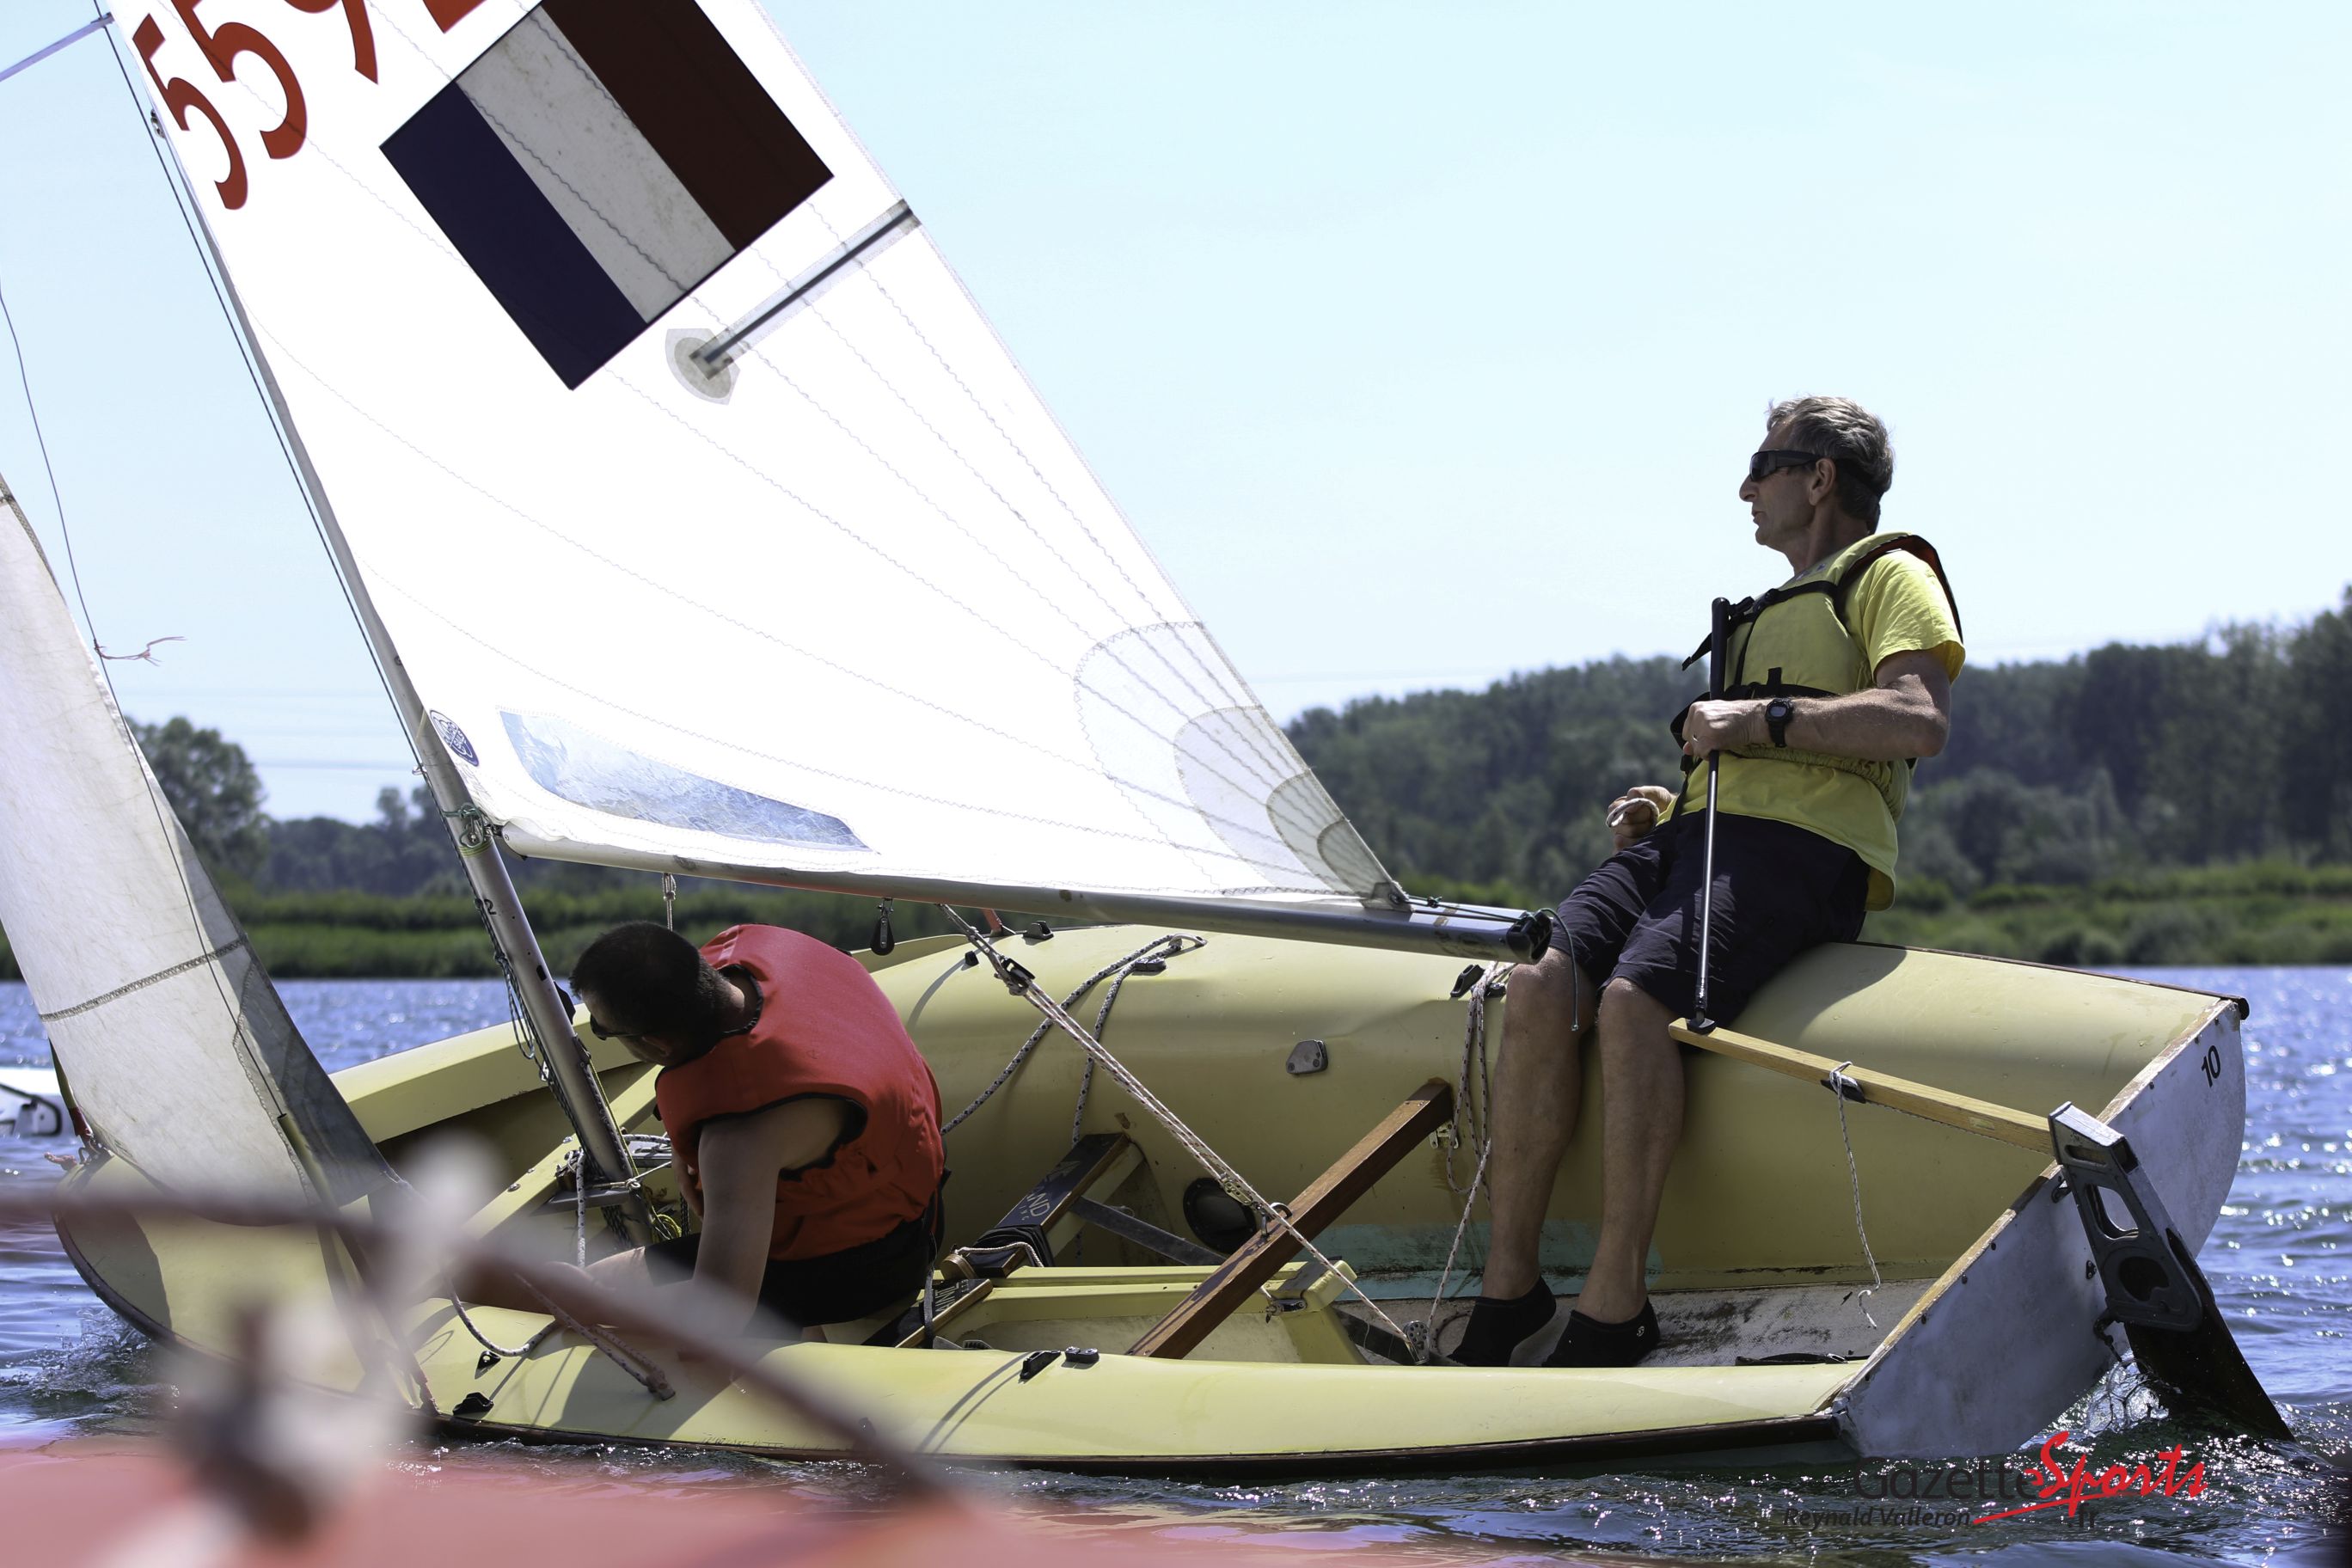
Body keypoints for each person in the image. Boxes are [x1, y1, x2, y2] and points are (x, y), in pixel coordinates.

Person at [1456, 395, 1964, 1368]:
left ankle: (1616, 1302)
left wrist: (1756, 721)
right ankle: (1510, 1287)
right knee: (1540, 981)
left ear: (1819, 477)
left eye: (1763, 467)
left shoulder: (1891, 574)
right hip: (1701, 839)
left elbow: (1918, 719)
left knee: (1636, 1002)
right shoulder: (1779, 600)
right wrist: (1672, 805)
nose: (1745, 489)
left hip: (1807, 851)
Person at [568, 920, 946, 1334]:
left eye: (602, 1031)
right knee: (598, 1283)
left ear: (657, 1044)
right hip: (916, 1203)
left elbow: (719, 1312)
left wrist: (593, 1309)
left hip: (868, 1267)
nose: (599, 1033)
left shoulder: (740, 1135)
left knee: (584, 1299)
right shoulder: (764, 944)